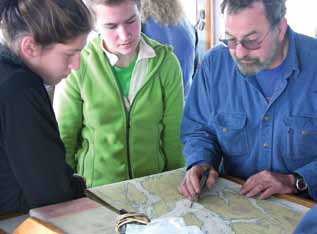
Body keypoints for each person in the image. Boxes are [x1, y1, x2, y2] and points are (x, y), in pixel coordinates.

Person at [179, 0, 317, 201]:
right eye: (231, 40)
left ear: (280, 29)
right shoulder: (214, 66)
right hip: (235, 204)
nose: (240, 53)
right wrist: (201, 162)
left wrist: (295, 181)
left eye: (252, 41)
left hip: (306, 209)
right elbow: (199, 130)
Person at [53, 0, 184, 188]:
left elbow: (174, 137)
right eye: (111, 26)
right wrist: (67, 193)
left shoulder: (166, 63)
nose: (124, 35)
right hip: (95, 192)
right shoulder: (77, 65)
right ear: (94, 25)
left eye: (131, 21)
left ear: (141, 12)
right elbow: (65, 139)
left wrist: (178, 185)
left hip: (153, 187)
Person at [0, 0, 92, 215]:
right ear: (30, 46)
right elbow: (51, 193)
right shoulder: (21, 88)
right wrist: (78, 185)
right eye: (69, 54)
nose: (76, 65)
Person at [141, 0, 197, 100]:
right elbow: (195, 71)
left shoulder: (140, 26)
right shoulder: (188, 25)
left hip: (156, 108)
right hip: (185, 105)